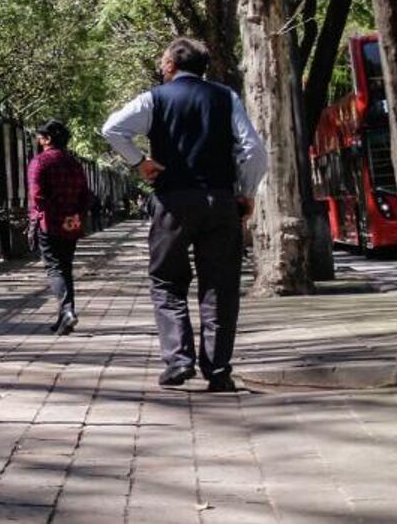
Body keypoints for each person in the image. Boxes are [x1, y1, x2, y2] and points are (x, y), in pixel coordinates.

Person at [101, 37, 266, 393]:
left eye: (163, 61)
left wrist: (139, 162)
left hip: (172, 202)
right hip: (221, 201)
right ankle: (218, 370)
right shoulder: (226, 98)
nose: (161, 67)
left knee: (166, 281)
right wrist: (246, 193)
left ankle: (178, 361)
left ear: (172, 65)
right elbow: (253, 150)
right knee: (221, 287)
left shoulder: (154, 99)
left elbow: (112, 128)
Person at [27, 119, 91, 334]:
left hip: (49, 222)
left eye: (40, 136)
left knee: (54, 268)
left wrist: (41, 213)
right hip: (71, 222)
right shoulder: (74, 163)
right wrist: (76, 214)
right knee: (65, 267)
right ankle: (64, 316)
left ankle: (67, 311)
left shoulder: (40, 162)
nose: (38, 139)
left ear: (48, 139)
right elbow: (85, 195)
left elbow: (36, 195)